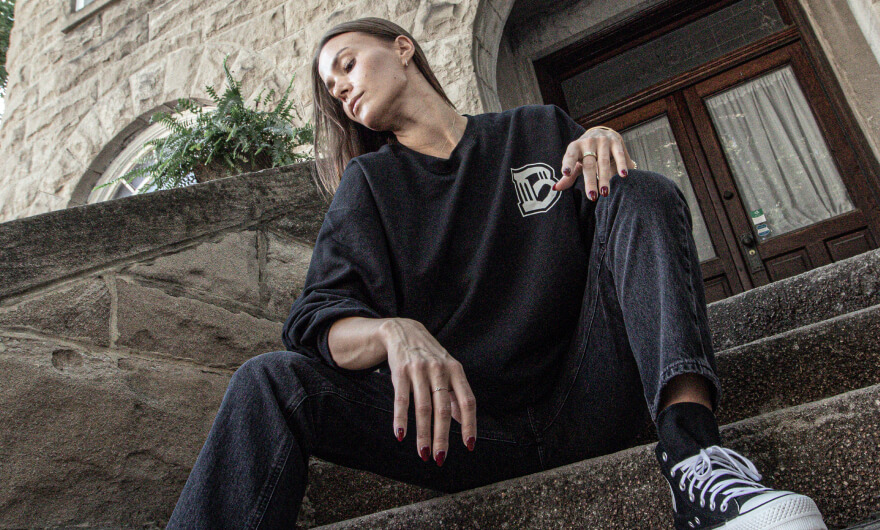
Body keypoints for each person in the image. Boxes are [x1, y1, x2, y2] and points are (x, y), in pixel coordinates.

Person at [165, 17, 828, 530]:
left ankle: (695, 462)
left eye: (346, 65)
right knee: (267, 380)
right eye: (333, 90)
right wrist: (393, 331)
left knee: (641, 189)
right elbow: (314, 326)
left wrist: (600, 141)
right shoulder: (370, 186)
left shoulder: (536, 129)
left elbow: (627, 240)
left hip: (590, 393)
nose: (341, 89)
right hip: (469, 433)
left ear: (402, 48)